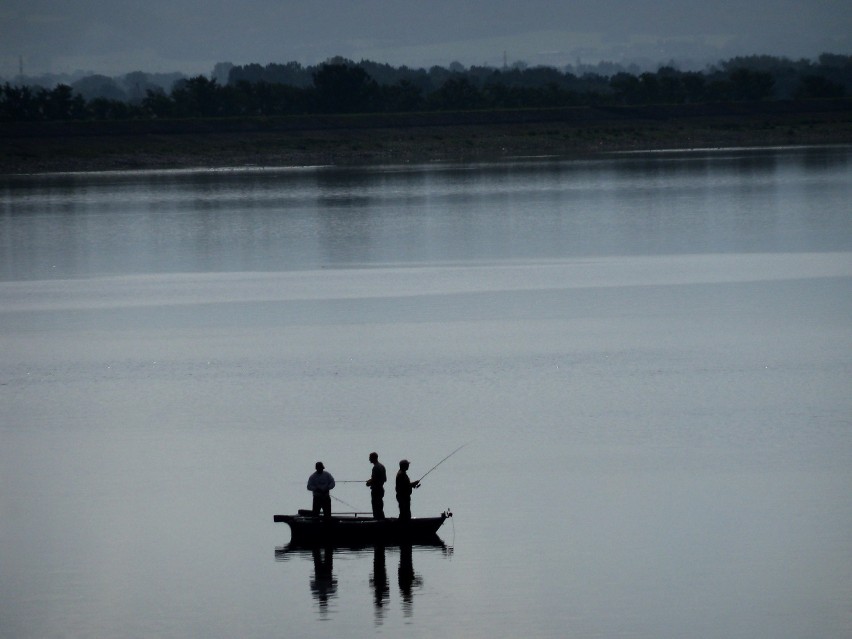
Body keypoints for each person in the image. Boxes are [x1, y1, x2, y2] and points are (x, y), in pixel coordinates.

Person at [365, 452, 387, 519]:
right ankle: (382, 520)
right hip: (381, 489)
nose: (369, 459)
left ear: (373, 458)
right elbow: (385, 479)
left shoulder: (375, 467)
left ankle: (377, 521)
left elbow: (374, 480)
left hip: (376, 491)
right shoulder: (382, 466)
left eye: (370, 458)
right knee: (380, 507)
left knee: (376, 508)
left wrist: (368, 483)